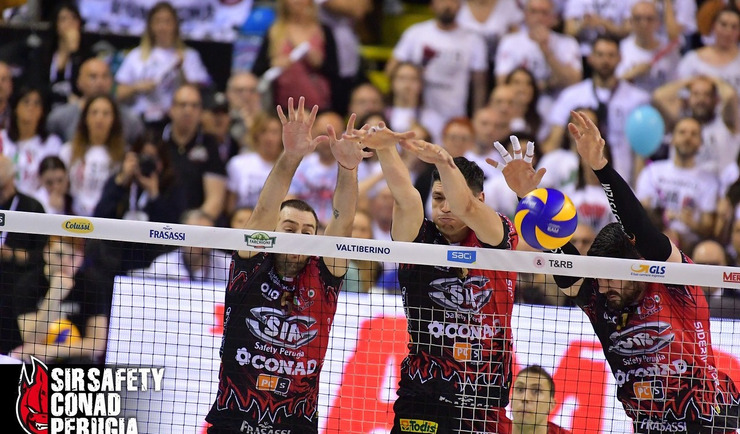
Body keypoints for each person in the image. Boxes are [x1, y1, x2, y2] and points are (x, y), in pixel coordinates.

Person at [499, 110, 740, 433]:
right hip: (647, 426)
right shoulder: (599, 299)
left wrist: (600, 167)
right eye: (599, 279)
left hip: (706, 422)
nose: (603, 287)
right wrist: (529, 199)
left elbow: (641, 229)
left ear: (638, 267)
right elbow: (563, 260)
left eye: (612, 276)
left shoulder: (674, 282)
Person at [205, 97, 366, 433]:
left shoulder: (324, 274)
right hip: (235, 417)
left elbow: (343, 221)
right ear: (273, 232)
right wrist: (291, 156)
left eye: (308, 232)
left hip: (296, 422)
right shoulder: (251, 264)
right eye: (289, 229)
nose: (298, 238)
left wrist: (348, 169)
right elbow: (265, 209)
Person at [357, 121, 523, 433]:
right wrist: (385, 149)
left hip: (483, 397)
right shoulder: (419, 237)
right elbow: (405, 197)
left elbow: (467, 208)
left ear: (481, 198)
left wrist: (445, 163)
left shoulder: (498, 233)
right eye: (437, 198)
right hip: (423, 394)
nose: (445, 208)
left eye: (450, 198)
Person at [386, 0, 487, 142]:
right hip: (420, 109)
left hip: (455, 115)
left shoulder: (473, 39)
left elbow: (479, 84)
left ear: (460, 5)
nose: (447, 5)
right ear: (431, 4)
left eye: (452, 1)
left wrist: (476, 117)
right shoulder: (415, 33)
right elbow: (391, 69)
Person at [115, 1, 211, 127]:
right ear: (150, 25)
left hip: (175, 121)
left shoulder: (189, 56)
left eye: (167, 21)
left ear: (175, 25)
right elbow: (118, 93)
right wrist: (137, 87)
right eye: (158, 21)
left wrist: (181, 71)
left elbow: (197, 94)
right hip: (141, 119)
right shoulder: (135, 56)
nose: (163, 27)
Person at [252, 0, 338, 111]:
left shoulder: (323, 31)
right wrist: (273, 63)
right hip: (282, 104)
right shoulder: (274, 31)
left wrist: (319, 62)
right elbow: (258, 69)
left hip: (319, 103)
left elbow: (334, 69)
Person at [47, 58, 145, 146]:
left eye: (105, 76)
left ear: (112, 82)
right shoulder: (59, 118)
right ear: (79, 82)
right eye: (93, 77)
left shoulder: (130, 120)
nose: (100, 82)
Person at [59, 94, 126, 216]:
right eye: (94, 112)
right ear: (85, 118)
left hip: (108, 218)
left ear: (114, 120)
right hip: (72, 218)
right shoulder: (67, 151)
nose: (99, 119)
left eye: (106, 113)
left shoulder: (122, 156)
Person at [0, 87, 62, 196]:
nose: (31, 107)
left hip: (38, 202)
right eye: (26, 102)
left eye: (36, 103)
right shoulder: (2, 138)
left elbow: (55, 180)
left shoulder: (52, 143)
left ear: (42, 111)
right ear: (16, 108)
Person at [511, 365, 571, 434]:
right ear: (511, 400)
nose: (525, 398)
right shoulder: (499, 429)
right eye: (520, 389)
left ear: (551, 405)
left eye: (536, 391)